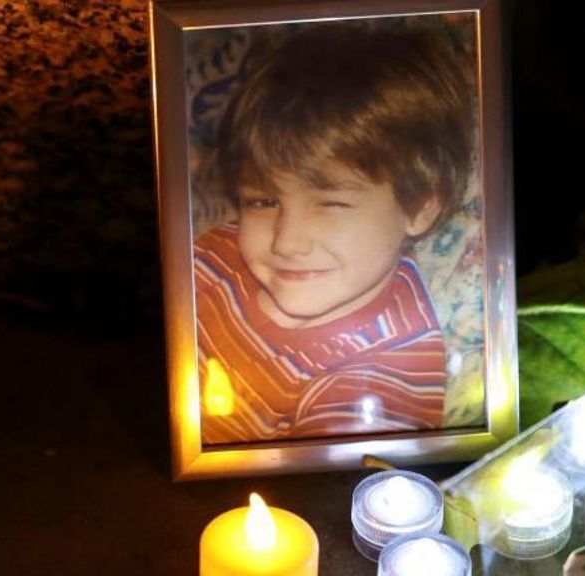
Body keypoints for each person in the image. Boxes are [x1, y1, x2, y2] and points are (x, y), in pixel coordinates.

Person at [194, 23, 474, 444]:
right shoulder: (215, 253)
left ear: (420, 208)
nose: (287, 242)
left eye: (331, 204)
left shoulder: (387, 374)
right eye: (264, 201)